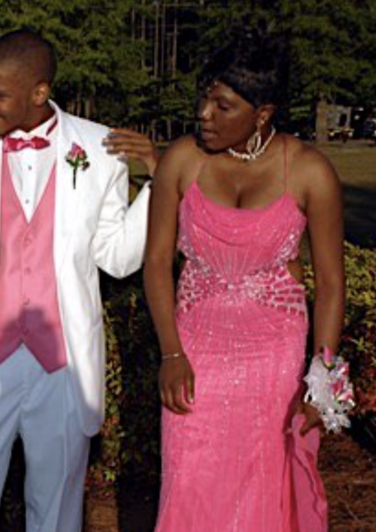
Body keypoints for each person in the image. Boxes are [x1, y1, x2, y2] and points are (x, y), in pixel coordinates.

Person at [0, 29, 154, 532]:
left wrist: (157, 181)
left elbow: (119, 259)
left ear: (39, 92)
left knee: (58, 506)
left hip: (63, 364)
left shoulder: (99, 147)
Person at [143, 32, 343, 531]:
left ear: (263, 112)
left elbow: (332, 285)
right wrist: (170, 352)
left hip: (273, 359)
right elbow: (156, 262)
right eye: (204, 98)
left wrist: (320, 380)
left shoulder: (310, 171)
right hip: (192, 356)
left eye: (222, 104)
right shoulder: (182, 160)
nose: (204, 114)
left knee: (263, 481)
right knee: (189, 479)